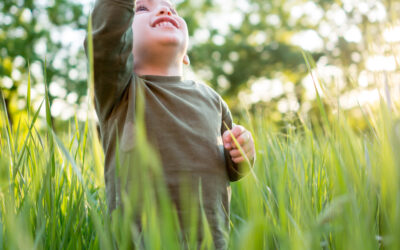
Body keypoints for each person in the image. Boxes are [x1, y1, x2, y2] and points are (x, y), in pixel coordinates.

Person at [84, 0, 256, 248]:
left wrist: (244, 154)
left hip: (209, 242)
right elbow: (104, 38)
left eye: (172, 9)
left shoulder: (212, 101)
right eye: (142, 8)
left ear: (185, 55)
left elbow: (232, 169)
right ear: (123, 41)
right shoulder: (120, 92)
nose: (164, 10)